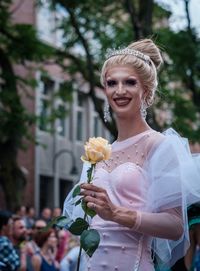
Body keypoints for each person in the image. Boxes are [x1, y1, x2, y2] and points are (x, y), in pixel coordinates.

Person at [63, 38, 200, 271]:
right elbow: (86, 223)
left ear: (146, 90)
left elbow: (176, 225)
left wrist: (116, 213)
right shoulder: (98, 152)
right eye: (111, 83)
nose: (119, 90)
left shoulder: (161, 145)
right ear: (105, 90)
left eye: (129, 82)